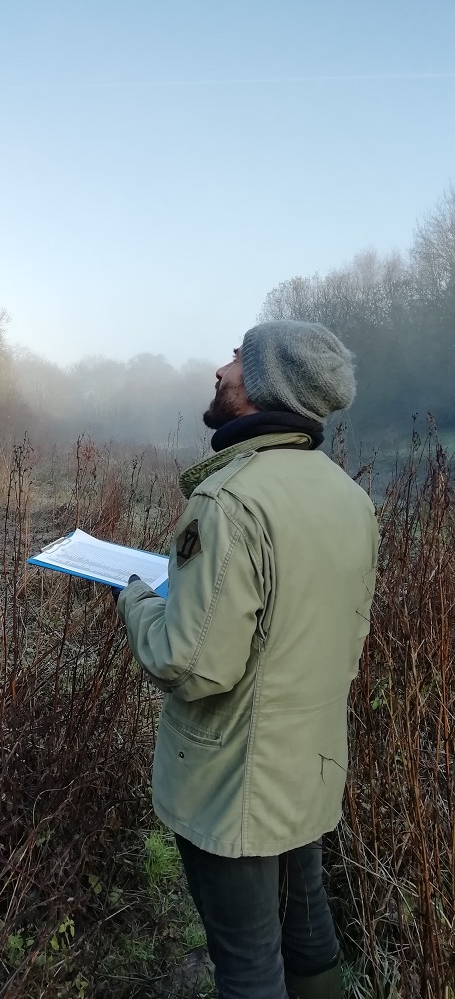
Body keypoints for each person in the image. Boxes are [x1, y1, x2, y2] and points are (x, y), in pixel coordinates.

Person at [114, 320, 379, 999]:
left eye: (236, 359)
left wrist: (136, 600)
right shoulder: (351, 500)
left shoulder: (229, 501)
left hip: (234, 784)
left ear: (267, 385)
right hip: (308, 768)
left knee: (246, 963)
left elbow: (190, 663)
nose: (220, 369)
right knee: (307, 925)